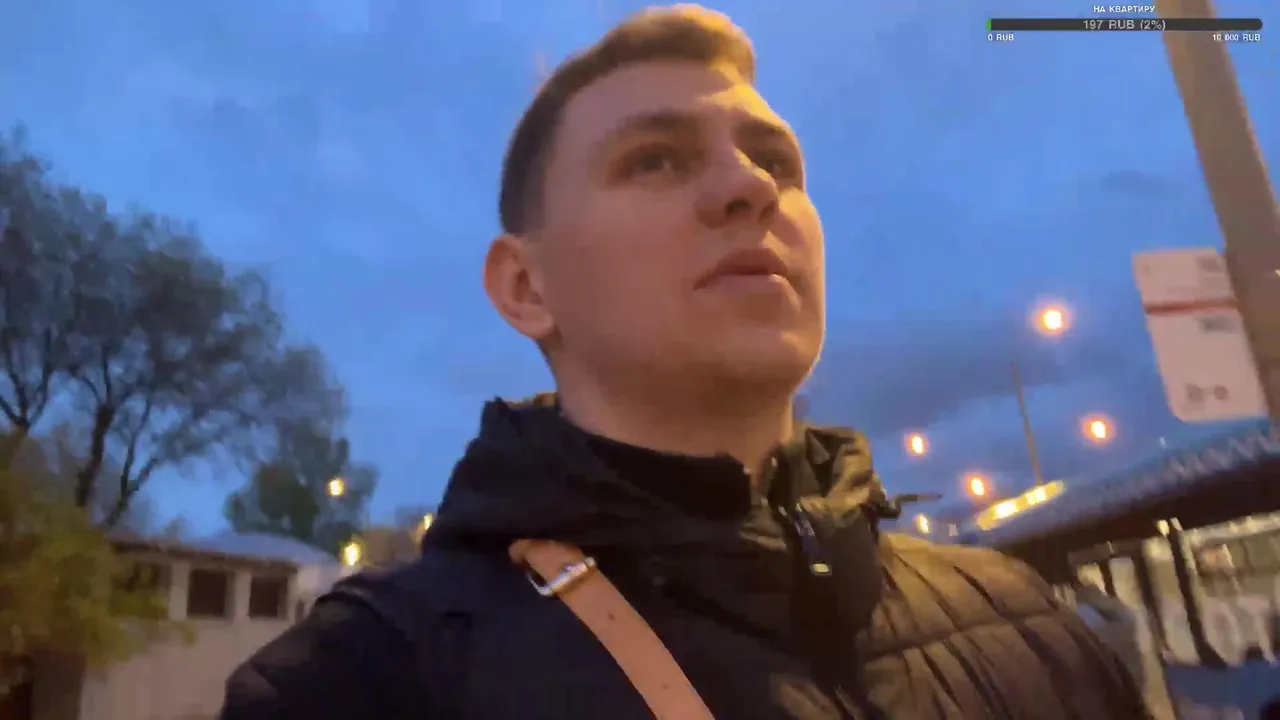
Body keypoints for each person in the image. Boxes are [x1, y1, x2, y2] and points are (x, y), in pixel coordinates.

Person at [219, 6, 1152, 718]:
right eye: (656, 160)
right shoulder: (364, 680)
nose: (750, 187)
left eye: (776, 164)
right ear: (526, 287)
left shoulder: (1032, 626)